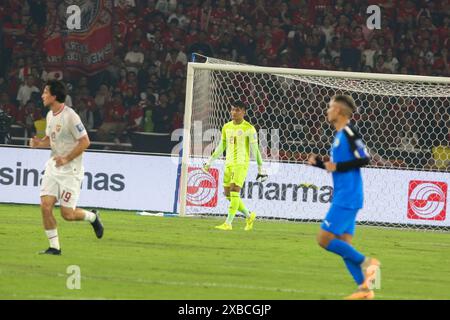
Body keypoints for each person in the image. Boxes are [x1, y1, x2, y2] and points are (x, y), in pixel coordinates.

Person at [307, 94, 380, 300]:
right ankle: (366, 290)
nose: (327, 110)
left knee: (323, 239)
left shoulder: (349, 132)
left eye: (330, 107)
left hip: (347, 196)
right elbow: (337, 168)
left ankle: (370, 263)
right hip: (345, 194)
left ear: (338, 111)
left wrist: (337, 166)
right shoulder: (339, 135)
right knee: (343, 244)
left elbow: (364, 158)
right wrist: (320, 164)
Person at [29, 80, 104, 255]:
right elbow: (50, 139)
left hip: (71, 171)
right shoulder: (49, 115)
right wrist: (38, 143)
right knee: (45, 206)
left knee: (67, 214)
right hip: (53, 167)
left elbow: (85, 141)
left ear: (54, 96)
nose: (42, 95)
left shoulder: (71, 116)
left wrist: (67, 158)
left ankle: (92, 217)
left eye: (45, 92)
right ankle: (54, 247)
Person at [203, 101, 268, 231]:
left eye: (237, 110)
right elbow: (222, 146)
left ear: (244, 112)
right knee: (228, 194)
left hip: (241, 164)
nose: (234, 112)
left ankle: (228, 223)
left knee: (234, 191)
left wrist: (261, 168)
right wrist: (210, 161)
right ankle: (249, 216)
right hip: (229, 163)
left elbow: (255, 150)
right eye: (232, 109)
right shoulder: (226, 127)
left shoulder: (249, 128)